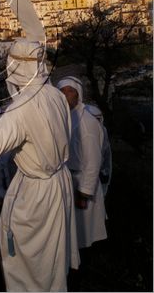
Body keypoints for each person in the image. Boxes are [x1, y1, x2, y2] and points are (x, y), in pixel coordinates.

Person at [0, 38, 80, 292]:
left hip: (37, 194)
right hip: (58, 183)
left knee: (30, 259)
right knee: (50, 255)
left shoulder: (21, 107)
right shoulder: (55, 95)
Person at [56, 77, 107, 250]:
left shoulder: (87, 122)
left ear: (78, 95)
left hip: (82, 184)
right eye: (62, 91)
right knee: (74, 235)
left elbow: (93, 162)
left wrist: (84, 193)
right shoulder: (66, 117)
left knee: (84, 236)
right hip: (70, 181)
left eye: (70, 91)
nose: (65, 95)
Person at [85, 104, 112, 197]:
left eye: (98, 119)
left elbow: (106, 155)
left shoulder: (103, 131)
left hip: (98, 177)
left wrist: (104, 173)